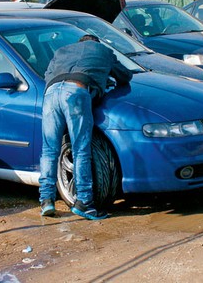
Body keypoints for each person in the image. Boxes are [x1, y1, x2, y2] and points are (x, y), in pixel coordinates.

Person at [39, 34, 133, 220]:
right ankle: (84, 203)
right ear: (95, 43)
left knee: (49, 150)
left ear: (78, 43)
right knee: (81, 150)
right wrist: (103, 79)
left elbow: (47, 75)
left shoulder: (61, 51)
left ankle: (46, 200)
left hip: (51, 94)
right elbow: (124, 75)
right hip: (76, 91)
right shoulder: (103, 51)